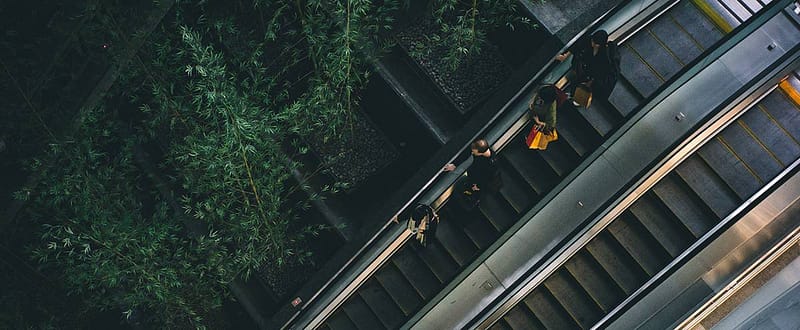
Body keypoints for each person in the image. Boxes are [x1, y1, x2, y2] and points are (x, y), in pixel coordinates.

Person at [555, 30, 619, 104]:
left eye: (596, 44)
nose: (593, 44)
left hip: (593, 72)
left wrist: (592, 81)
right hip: (584, 67)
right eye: (593, 42)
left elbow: (604, 71)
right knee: (577, 80)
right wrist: (566, 55)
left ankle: (577, 97)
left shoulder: (606, 55)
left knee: (581, 82)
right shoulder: (587, 41)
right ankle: (574, 95)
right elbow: (577, 46)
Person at [443, 139, 502, 209]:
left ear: (480, 153)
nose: (473, 153)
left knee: (468, 194)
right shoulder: (479, 151)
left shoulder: (491, 164)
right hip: (473, 176)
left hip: (477, 181)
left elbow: (488, 178)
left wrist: (478, 186)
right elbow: (468, 153)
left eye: (474, 152)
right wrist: (455, 164)